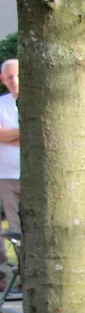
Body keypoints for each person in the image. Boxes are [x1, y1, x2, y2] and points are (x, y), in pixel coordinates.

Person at [0, 59, 19, 288]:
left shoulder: (35, 102)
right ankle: (9, 273)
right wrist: (24, 134)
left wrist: (9, 136)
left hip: (32, 175)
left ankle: (29, 272)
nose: (14, 80)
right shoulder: (1, 104)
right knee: (14, 227)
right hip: (6, 175)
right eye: (9, 77)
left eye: (17, 75)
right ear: (3, 80)